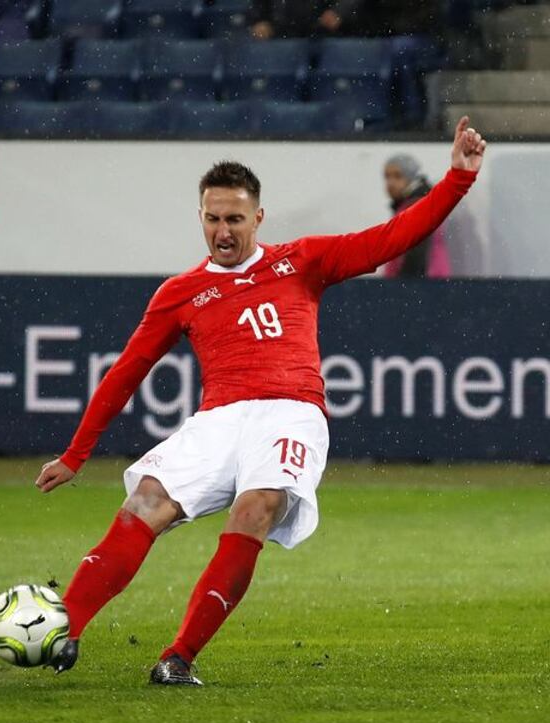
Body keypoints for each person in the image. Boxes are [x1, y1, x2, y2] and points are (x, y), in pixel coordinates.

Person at [35, 117, 486, 686]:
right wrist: (76, 454)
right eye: (213, 219)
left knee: (255, 508)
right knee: (144, 502)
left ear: (258, 218)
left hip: (291, 413)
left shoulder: (302, 261)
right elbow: (126, 373)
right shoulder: (178, 293)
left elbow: (389, 239)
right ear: (200, 217)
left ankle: (177, 658)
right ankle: (63, 631)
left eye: (235, 219)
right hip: (218, 419)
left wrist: (457, 180)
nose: (224, 232)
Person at [381, 154, 451, 278]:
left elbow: (417, 250)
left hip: (423, 284)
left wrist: (407, 285)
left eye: (397, 176)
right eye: (387, 176)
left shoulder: (417, 205)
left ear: (410, 177)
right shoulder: (414, 203)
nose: (390, 183)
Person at [249, 0, 362, 39]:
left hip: (323, 34)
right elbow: (259, 6)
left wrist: (338, 11)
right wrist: (260, 20)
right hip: (281, 33)